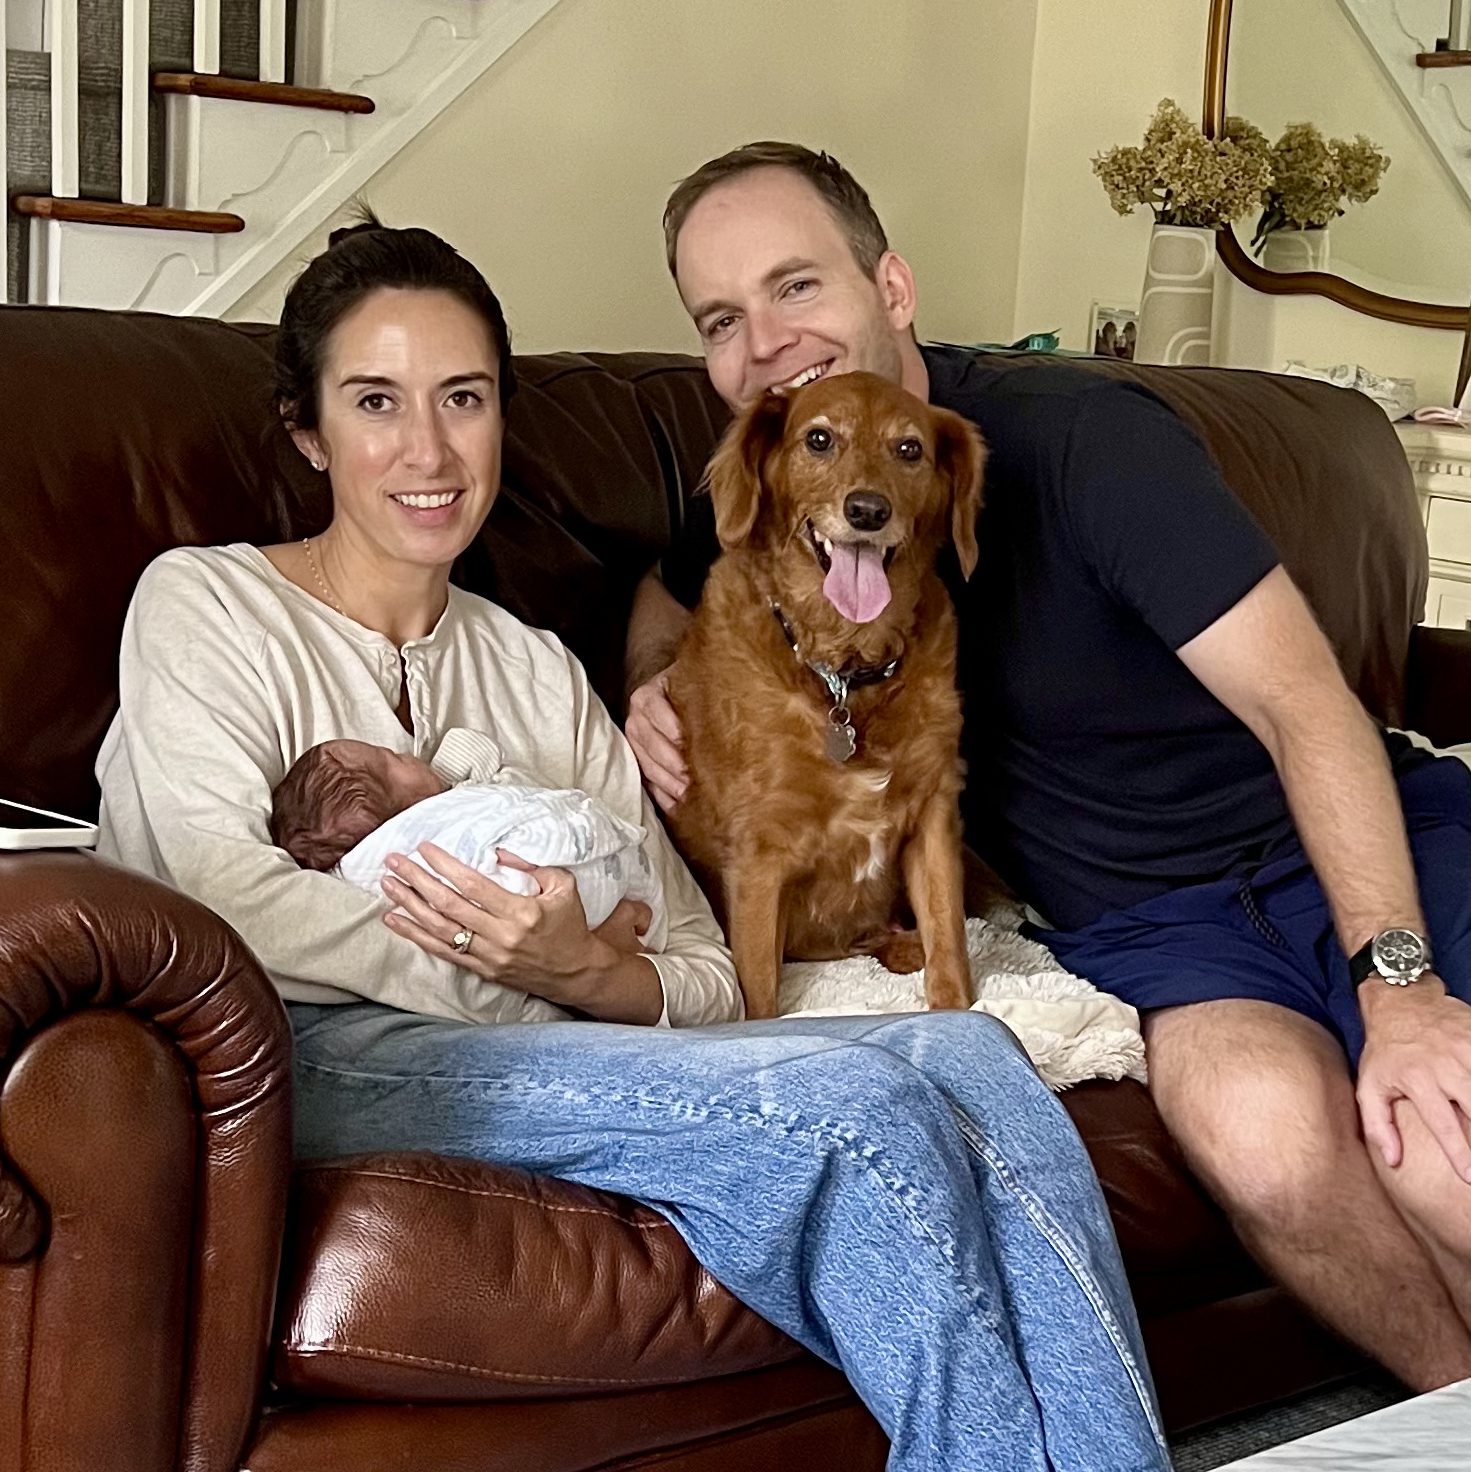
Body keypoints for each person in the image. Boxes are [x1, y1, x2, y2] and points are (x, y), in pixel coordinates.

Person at [95, 216, 1169, 1472]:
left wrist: (586, 970)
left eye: (464, 398)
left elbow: (703, 972)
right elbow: (222, 905)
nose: (428, 449)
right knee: (861, 1103)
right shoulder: (205, 602)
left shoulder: (539, 671)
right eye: (376, 401)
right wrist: (528, 970)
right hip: (304, 1048)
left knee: (975, 1054)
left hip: (555, 1033)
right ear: (308, 430)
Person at [624, 140, 1471, 1395]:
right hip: (1156, 929)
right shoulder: (786, 465)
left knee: (1441, 1150)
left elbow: (1306, 705)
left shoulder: (1086, 444)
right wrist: (656, 680)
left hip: (1353, 834)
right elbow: (659, 580)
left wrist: (1398, 990)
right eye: (721, 319)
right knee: (1268, 1146)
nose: (765, 340)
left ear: (891, 287)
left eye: (795, 285)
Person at [269, 732, 669, 950]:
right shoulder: (418, 853)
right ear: (396, 817)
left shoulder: (448, 801)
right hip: (562, 893)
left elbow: (481, 763)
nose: (405, 753)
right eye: (392, 759)